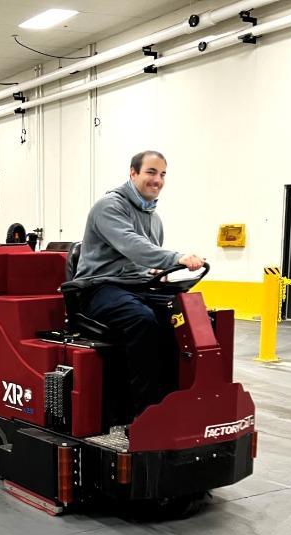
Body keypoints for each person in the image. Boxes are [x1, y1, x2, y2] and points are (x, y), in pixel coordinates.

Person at [73, 150, 205, 418]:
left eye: (163, 174)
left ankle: (175, 399)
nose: (157, 180)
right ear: (133, 173)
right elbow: (133, 246)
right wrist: (176, 257)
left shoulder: (154, 218)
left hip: (136, 287)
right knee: (141, 320)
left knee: (180, 317)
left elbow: (146, 261)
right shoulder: (109, 207)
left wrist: (162, 271)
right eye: (151, 172)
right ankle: (144, 412)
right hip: (98, 288)